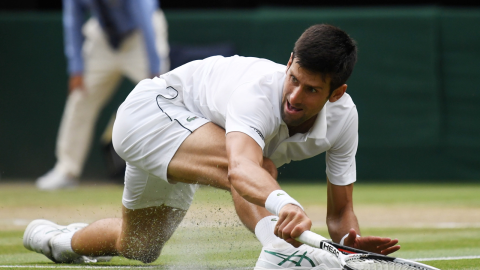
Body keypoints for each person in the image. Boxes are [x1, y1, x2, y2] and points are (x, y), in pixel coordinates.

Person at [24, 24, 400, 268]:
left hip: (192, 139)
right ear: (289, 63)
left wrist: (349, 242)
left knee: (139, 245)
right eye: (294, 78)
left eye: (312, 89)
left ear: (337, 94)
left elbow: (341, 212)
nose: (294, 95)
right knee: (259, 168)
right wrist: (285, 207)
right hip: (150, 113)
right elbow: (240, 170)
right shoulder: (256, 93)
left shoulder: (344, 120)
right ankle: (276, 253)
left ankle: (60, 242)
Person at [36, 0, 170, 190]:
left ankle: (173, 168)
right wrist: (76, 68)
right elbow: (72, 19)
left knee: (163, 99)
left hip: (142, 34)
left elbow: (144, 16)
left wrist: (155, 68)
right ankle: (66, 170)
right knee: (80, 99)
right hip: (104, 37)